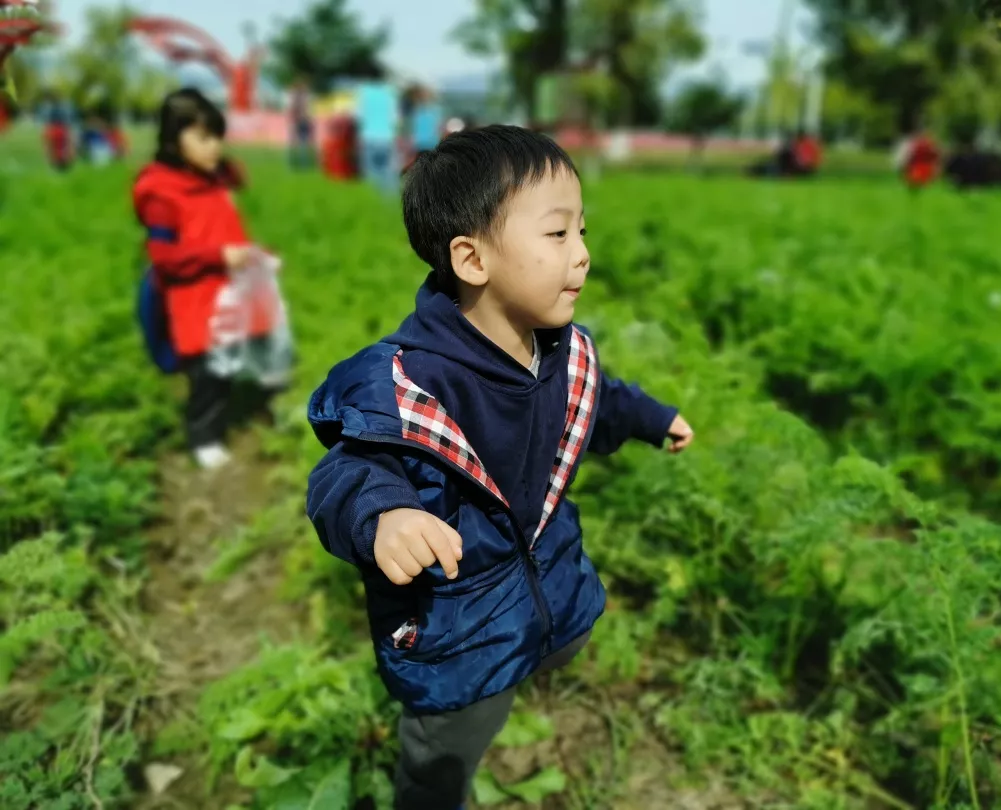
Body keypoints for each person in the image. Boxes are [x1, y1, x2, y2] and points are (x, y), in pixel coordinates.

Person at [305, 125, 694, 810]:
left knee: (522, 667)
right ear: (472, 258)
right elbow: (349, 471)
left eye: (582, 232)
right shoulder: (410, 384)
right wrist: (385, 515)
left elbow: (598, 401)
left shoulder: (560, 352)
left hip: (533, 596)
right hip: (456, 627)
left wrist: (653, 418)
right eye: (557, 235)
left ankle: (522, 666)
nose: (583, 256)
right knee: (445, 753)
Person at [133, 88, 276, 469]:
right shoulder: (162, 194)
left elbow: (229, 204)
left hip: (225, 293)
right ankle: (203, 438)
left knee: (225, 365)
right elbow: (163, 258)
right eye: (203, 137)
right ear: (172, 137)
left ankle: (215, 423)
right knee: (207, 376)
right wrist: (217, 256)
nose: (215, 147)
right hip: (192, 300)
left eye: (218, 137)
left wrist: (251, 258)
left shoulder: (209, 179)